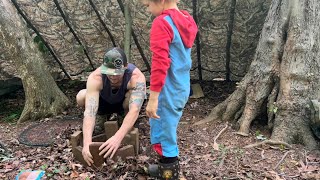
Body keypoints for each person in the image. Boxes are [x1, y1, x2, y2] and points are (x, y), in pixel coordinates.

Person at [142, 0, 198, 179]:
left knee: (165, 130)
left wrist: (153, 98)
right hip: (181, 85)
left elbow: (160, 63)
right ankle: (164, 167)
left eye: (148, 4)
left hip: (167, 88)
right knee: (164, 126)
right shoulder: (186, 19)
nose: (148, 9)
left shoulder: (162, 22)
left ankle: (169, 173)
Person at [76, 47, 146, 166]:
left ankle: (122, 118)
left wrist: (117, 138)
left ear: (125, 67)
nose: (113, 77)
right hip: (103, 102)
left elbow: (135, 110)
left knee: (134, 97)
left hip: (123, 103)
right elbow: (89, 112)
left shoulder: (136, 77)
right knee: (81, 96)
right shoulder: (96, 77)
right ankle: (102, 116)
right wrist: (87, 143)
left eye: (117, 74)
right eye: (109, 73)